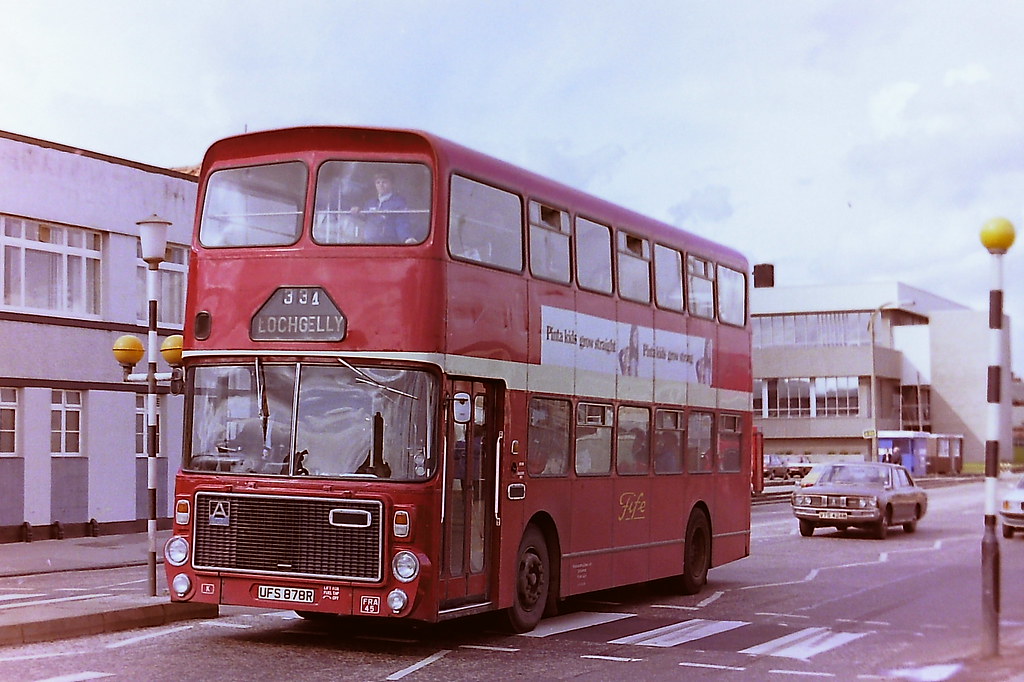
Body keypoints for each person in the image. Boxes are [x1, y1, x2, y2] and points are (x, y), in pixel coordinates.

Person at [350, 170, 414, 243]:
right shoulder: (370, 203)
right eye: (378, 182)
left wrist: (406, 238)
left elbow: (402, 222)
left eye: (384, 182)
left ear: (392, 184)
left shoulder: (398, 203)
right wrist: (357, 212)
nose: (381, 185)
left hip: (388, 243)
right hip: (369, 243)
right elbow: (364, 218)